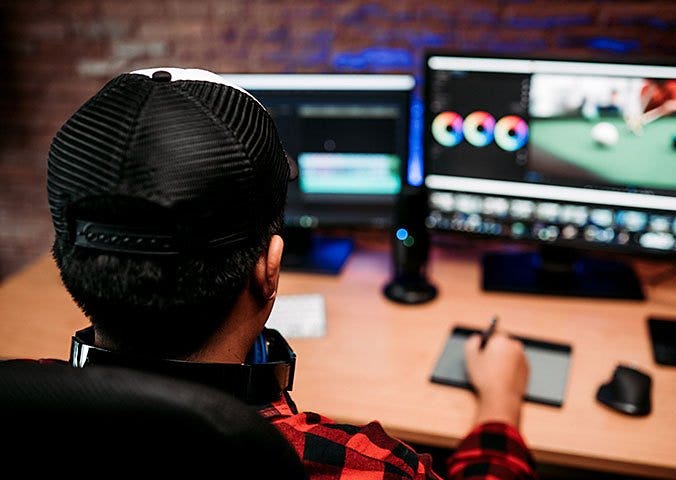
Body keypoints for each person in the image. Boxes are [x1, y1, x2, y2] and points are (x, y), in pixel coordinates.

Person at [45, 67, 537, 479]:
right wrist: (499, 401)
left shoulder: (25, 403)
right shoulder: (368, 468)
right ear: (269, 268)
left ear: (68, 262)